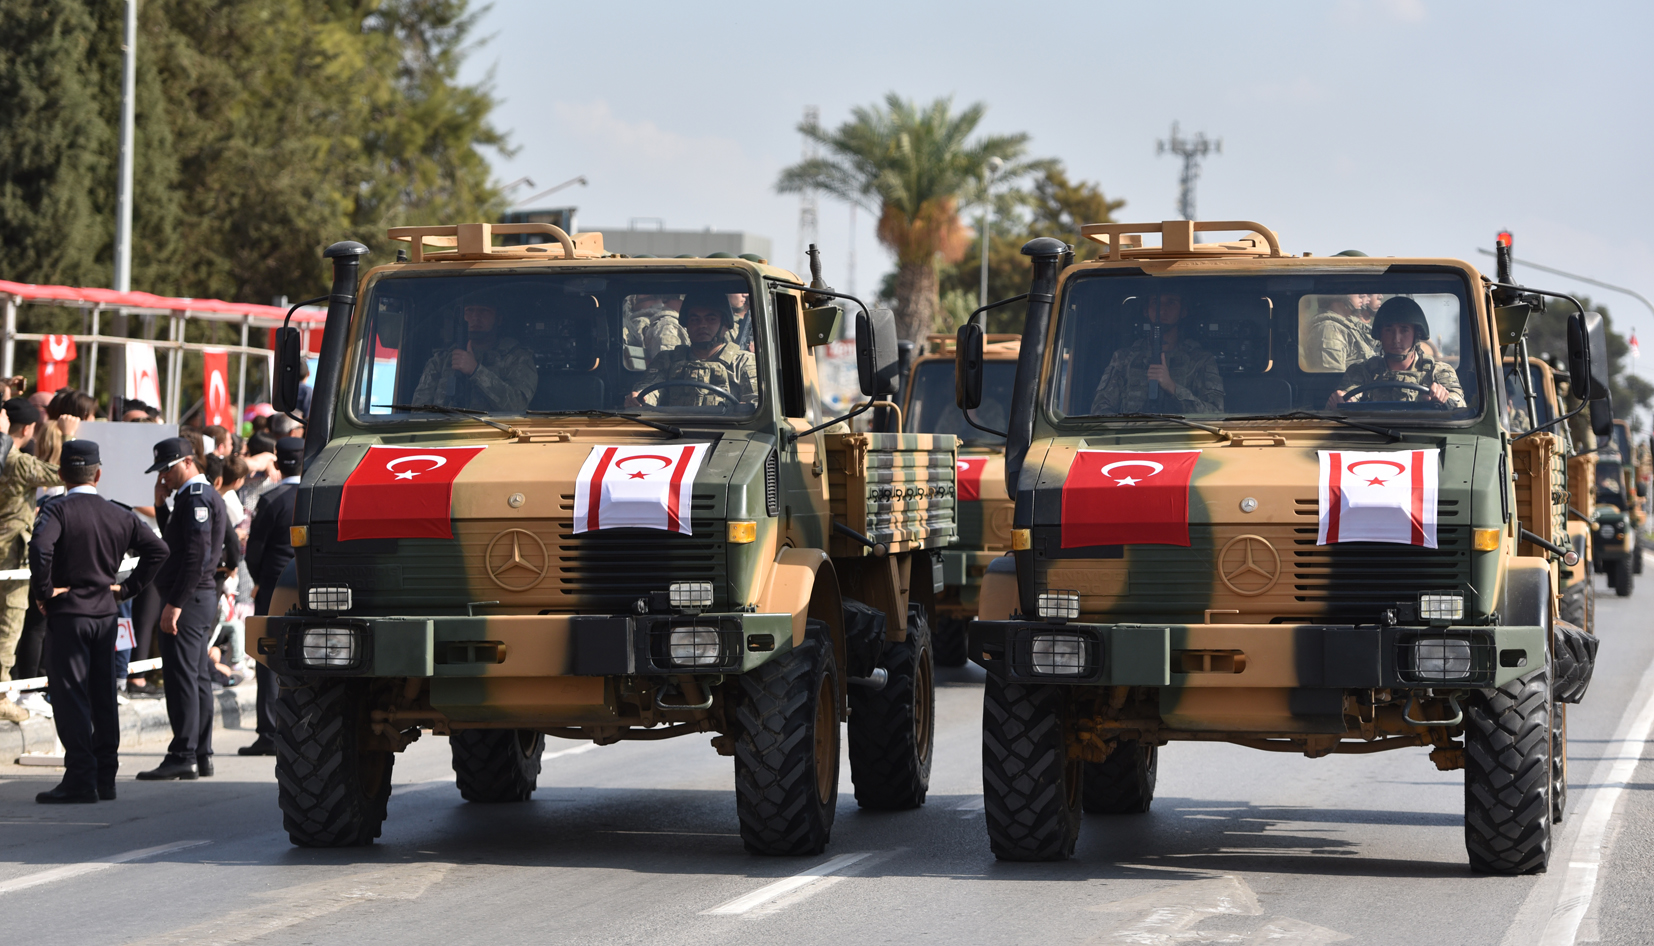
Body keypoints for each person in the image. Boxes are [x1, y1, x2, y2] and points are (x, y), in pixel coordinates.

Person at [28, 441, 167, 803]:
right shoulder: (118, 513)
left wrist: (44, 591)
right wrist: (127, 589)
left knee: (70, 695)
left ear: (61, 475)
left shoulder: (57, 510)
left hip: (70, 613)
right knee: (103, 695)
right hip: (105, 613)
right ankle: (105, 777)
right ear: (99, 474)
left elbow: (40, 547)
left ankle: (80, 778)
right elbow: (159, 549)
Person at [136, 437, 229, 781]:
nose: (164, 477)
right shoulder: (193, 497)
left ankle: (183, 754)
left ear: (188, 462)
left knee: (182, 679)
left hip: (188, 599)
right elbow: (177, 543)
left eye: (168, 469)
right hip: (195, 598)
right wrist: (161, 507)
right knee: (196, 676)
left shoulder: (196, 497)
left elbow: (195, 557)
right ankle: (200, 754)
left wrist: (175, 603)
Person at [0, 399, 66, 723]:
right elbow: (66, 473)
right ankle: (1, 696)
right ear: (27, 429)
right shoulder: (19, 462)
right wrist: (66, 436)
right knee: (9, 625)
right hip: (10, 557)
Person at [238, 437, 303, 756]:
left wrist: (262, 581)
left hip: (275, 587)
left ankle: (269, 732)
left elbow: (254, 550)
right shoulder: (317, 496)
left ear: (277, 463)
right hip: (314, 587)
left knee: (268, 658)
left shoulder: (272, 499)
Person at [1089, 293, 1225, 415]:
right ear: (1146, 310)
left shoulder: (1200, 360)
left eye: (1171, 302)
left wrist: (1172, 388)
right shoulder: (1124, 359)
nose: (1162, 309)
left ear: (1183, 311)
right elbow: (1099, 411)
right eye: (1155, 302)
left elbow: (1215, 414)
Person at [1327, 296, 1465, 409]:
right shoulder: (1363, 371)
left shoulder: (1437, 372)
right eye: (1389, 330)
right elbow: (1348, 396)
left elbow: (1459, 403)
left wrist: (1443, 398)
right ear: (1380, 334)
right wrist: (1341, 399)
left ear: (1416, 335)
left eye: (1404, 330)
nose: (1396, 339)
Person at [627, 294, 759, 408]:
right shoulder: (667, 360)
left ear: (726, 324)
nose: (702, 325)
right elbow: (649, 389)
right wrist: (639, 398)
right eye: (695, 320)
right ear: (687, 325)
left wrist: (745, 409)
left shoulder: (743, 362)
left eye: (711, 319)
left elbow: (756, 403)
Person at [409, 303, 538, 413]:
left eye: (484, 310)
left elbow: (518, 406)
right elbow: (418, 412)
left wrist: (476, 371)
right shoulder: (441, 360)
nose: (476, 317)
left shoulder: (517, 359)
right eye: (469, 310)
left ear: (498, 319)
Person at [1305, 294, 1383, 372]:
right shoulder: (1330, 330)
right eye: (1354, 291)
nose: (1362, 295)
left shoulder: (1348, 324)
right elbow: (1332, 376)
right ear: (1339, 296)